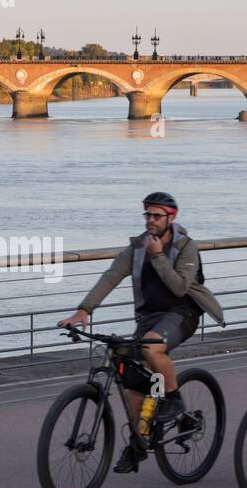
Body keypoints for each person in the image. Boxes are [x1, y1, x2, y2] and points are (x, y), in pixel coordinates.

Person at [57, 192, 224, 473]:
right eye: (147, 215)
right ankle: (139, 440)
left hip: (182, 313)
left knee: (151, 348)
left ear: (171, 217)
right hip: (150, 317)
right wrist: (84, 310)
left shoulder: (186, 247)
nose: (150, 221)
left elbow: (180, 288)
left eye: (156, 216)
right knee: (133, 382)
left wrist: (158, 256)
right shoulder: (136, 248)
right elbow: (111, 276)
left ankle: (173, 399)